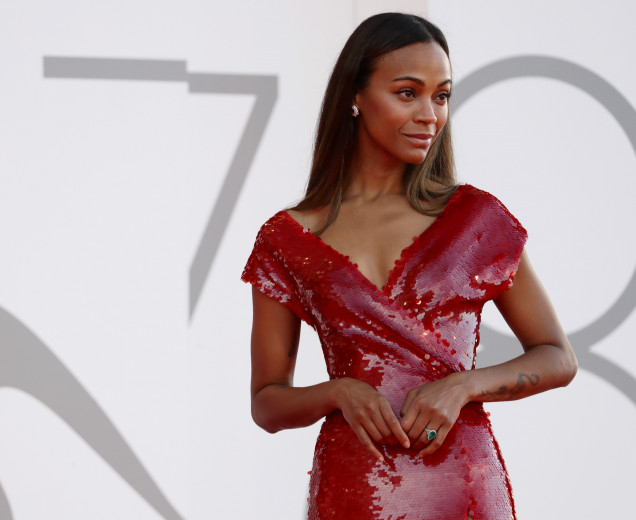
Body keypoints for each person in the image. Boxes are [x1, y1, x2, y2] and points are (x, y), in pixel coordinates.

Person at [241, 12, 577, 520]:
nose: (430, 115)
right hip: (353, 489)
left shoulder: (476, 219)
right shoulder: (287, 239)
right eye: (407, 93)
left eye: (441, 95)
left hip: (462, 485)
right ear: (355, 96)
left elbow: (558, 357)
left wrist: (464, 385)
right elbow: (267, 404)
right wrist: (338, 391)